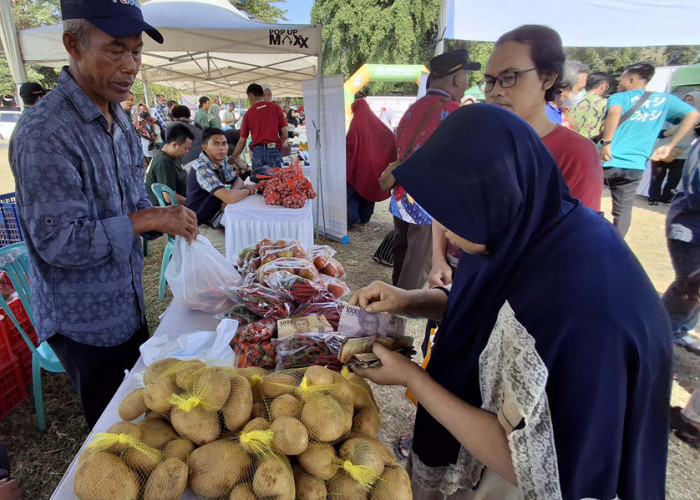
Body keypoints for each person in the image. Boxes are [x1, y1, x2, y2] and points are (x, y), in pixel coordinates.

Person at [351, 104, 671, 499]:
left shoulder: (575, 307)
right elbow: (489, 309)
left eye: (452, 216)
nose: (445, 230)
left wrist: (410, 376)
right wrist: (411, 299)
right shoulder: (526, 225)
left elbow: (529, 465)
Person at [10, 0, 198, 428]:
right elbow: (61, 243)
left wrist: (161, 215)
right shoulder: (44, 133)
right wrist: (149, 220)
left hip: (128, 301)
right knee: (114, 430)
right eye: (115, 50)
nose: (130, 66)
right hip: (84, 321)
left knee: (143, 410)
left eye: (136, 51)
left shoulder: (121, 120)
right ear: (72, 45)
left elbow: (129, 204)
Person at [381, 49, 479, 291]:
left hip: (401, 195)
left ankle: (394, 307)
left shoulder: (413, 109)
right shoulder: (455, 112)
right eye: (467, 75)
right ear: (457, 78)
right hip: (427, 203)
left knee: (402, 258)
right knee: (416, 268)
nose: (467, 81)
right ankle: (399, 315)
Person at [600, 62, 699, 237]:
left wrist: (607, 142)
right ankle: (616, 244)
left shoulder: (620, 97)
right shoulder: (665, 100)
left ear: (631, 79)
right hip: (635, 165)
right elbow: (693, 115)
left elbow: (615, 112)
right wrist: (671, 144)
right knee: (623, 210)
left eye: (622, 78)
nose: (620, 82)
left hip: (606, 158)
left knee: (587, 198)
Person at [186, 127, 257, 253]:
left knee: (250, 238)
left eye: (224, 143)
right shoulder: (202, 168)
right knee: (235, 253)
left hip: (217, 218)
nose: (222, 148)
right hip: (200, 225)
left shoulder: (221, 162)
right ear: (205, 147)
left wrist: (231, 195)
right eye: (216, 144)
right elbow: (231, 197)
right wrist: (247, 190)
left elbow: (238, 180)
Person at [663, 137, 700, 353]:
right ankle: (666, 331)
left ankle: (676, 329)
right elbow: (695, 191)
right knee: (689, 283)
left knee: (693, 285)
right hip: (689, 226)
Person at [346, 98, 396, 227]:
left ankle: (352, 219)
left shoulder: (356, 123)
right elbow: (390, 138)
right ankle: (365, 218)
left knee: (353, 190)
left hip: (360, 165)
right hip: (375, 165)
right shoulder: (377, 123)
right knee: (369, 191)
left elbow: (350, 144)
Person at [648, 91, 700, 205]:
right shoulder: (672, 115)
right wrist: (672, 131)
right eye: (685, 100)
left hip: (682, 152)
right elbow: (658, 132)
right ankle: (653, 197)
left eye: (691, 100)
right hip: (661, 149)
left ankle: (666, 197)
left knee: (674, 177)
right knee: (657, 175)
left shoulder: (698, 121)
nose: (687, 102)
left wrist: (693, 124)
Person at [229, 83, 288, 182]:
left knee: (259, 186)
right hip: (273, 150)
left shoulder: (248, 114)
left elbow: (242, 141)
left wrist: (233, 157)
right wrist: (278, 146)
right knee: (276, 185)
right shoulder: (276, 108)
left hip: (258, 152)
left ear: (251, 96)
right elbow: (285, 133)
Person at [145, 123, 194, 206]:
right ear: (174, 145)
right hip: (166, 211)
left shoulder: (174, 157)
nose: (187, 152)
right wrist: (194, 203)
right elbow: (169, 197)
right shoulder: (163, 161)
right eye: (185, 148)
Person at [568, 71, 610, 141]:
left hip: (567, 138)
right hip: (588, 143)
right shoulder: (605, 104)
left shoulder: (572, 99)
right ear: (603, 86)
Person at [558, 60, 589, 129]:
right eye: (579, 89)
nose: (581, 93)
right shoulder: (547, 115)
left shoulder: (564, 111)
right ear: (564, 86)